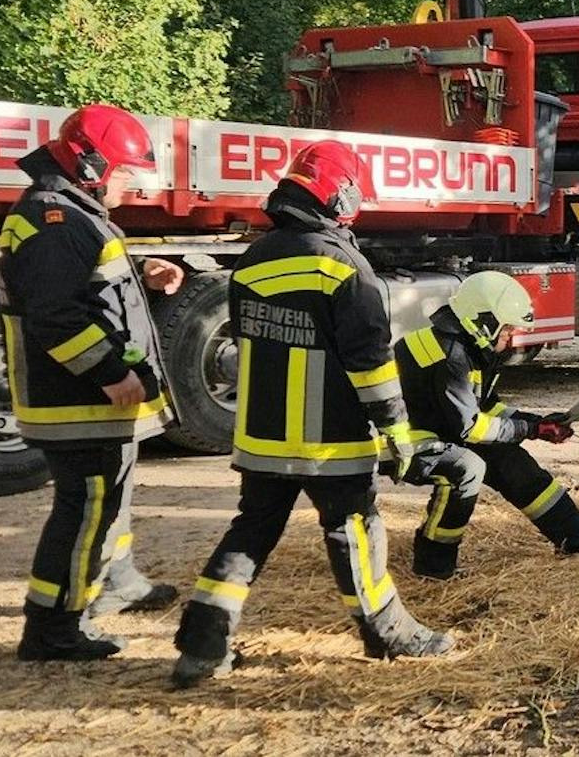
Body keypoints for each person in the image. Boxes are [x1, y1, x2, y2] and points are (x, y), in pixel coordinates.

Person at [170, 141, 453, 689]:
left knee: (250, 532)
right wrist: (397, 430)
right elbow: (369, 361)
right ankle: (388, 632)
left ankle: (202, 645)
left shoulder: (253, 260)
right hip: (330, 437)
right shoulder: (344, 265)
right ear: (340, 195)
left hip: (263, 437)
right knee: (354, 529)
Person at [1, 104, 182, 661]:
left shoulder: (68, 214)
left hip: (78, 400)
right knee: (85, 509)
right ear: (92, 164)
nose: (132, 188)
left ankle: (118, 582)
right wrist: (109, 373)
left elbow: (88, 295)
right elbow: (56, 316)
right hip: (75, 402)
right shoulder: (57, 220)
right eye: (126, 175)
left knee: (108, 498)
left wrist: (144, 279)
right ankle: (53, 629)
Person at [392, 271, 579, 580]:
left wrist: (535, 423)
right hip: (402, 440)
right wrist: (530, 431)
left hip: (441, 430)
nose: (510, 336)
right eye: (508, 328)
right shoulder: (450, 355)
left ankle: (574, 536)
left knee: (510, 458)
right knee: (466, 468)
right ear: (485, 320)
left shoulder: (468, 346)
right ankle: (433, 568)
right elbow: (471, 428)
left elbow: (488, 408)